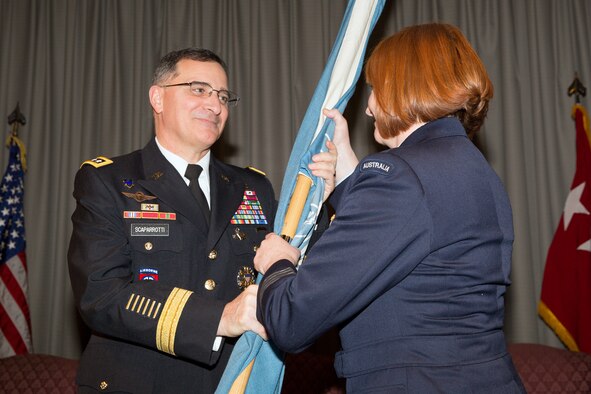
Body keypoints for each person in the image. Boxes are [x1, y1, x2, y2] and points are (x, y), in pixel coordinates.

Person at [254, 23, 526, 393]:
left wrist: (276, 264)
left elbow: (292, 319)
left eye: (376, 89)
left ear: (403, 88)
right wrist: (351, 174)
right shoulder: (478, 171)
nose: (368, 108)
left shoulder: (399, 176)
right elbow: (416, 250)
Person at [67, 48, 336, 393]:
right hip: (138, 382)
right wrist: (221, 318)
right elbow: (102, 296)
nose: (215, 105)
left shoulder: (251, 186)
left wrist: (319, 201)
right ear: (158, 98)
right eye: (198, 89)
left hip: (232, 382)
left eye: (223, 96)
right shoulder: (109, 181)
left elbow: (304, 267)